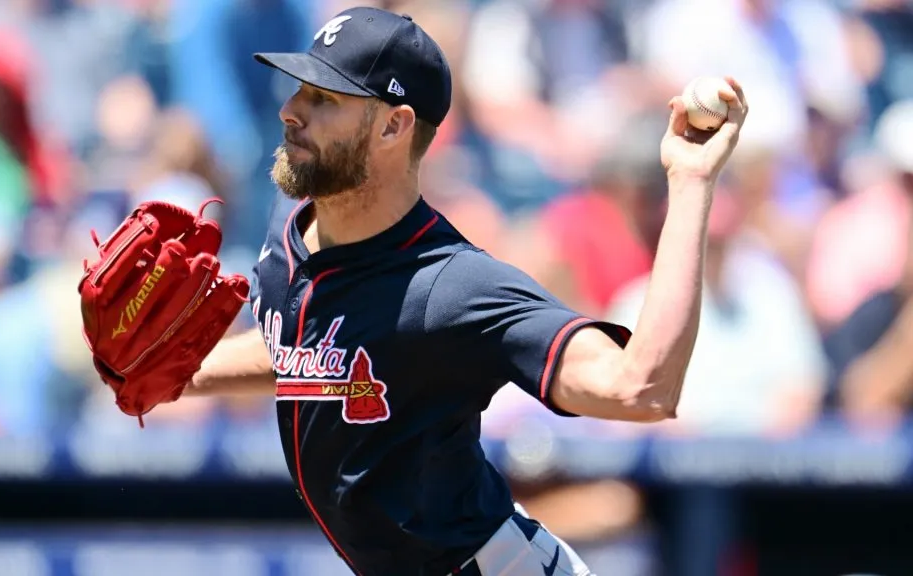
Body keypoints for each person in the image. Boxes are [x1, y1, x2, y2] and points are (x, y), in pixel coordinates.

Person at [183, 6, 748, 576]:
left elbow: (641, 388)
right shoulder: (291, 225)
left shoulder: (452, 287)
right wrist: (177, 369)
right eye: (300, 89)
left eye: (324, 98)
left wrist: (691, 182)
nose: (290, 111)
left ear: (392, 126)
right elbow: (312, 348)